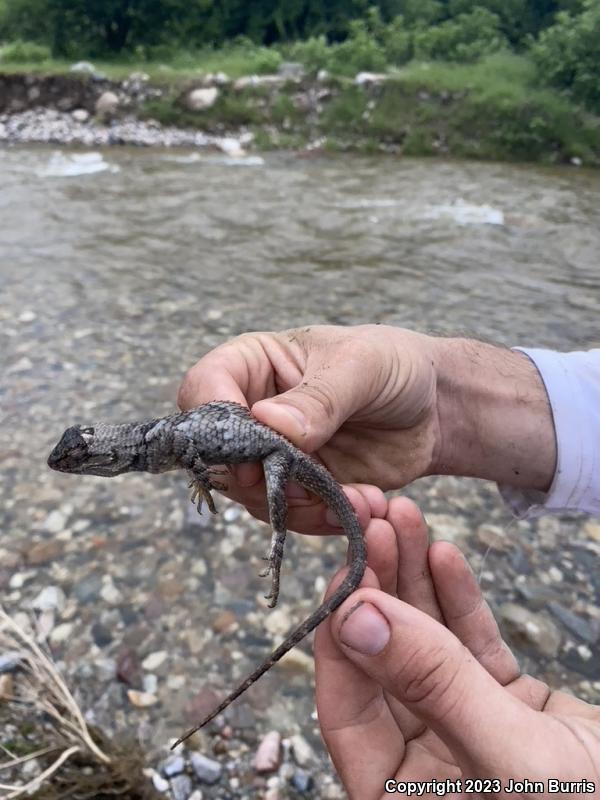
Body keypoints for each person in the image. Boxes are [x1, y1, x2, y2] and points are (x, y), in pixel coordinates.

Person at [178, 325, 600, 798]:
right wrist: (439, 397)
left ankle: (278, 549)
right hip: (269, 446)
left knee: (343, 528)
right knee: (362, 530)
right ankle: (278, 547)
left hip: (276, 450)